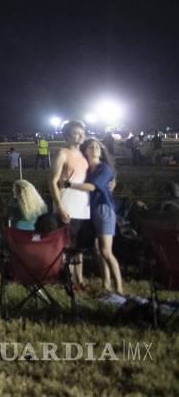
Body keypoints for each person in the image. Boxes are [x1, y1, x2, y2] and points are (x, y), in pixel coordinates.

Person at [67, 139, 123, 298]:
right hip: (89, 211)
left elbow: (92, 187)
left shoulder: (104, 169)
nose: (95, 148)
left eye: (98, 146)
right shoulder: (86, 170)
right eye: (91, 146)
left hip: (103, 209)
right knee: (98, 251)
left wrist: (69, 185)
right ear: (85, 151)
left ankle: (119, 288)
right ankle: (106, 285)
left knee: (106, 251)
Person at [50, 120, 90, 290]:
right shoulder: (63, 153)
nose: (81, 135)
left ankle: (80, 280)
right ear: (67, 136)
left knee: (79, 247)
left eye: (82, 132)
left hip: (83, 207)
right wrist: (59, 205)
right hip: (67, 206)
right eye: (76, 133)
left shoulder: (84, 156)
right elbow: (52, 181)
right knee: (68, 246)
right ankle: (69, 280)